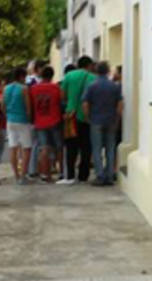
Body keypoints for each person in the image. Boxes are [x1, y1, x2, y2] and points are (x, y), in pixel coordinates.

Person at [83, 61, 124, 186]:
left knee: (97, 149)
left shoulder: (91, 86)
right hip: (111, 119)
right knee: (110, 148)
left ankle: (100, 175)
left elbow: (85, 103)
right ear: (107, 71)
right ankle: (110, 175)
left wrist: (87, 117)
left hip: (96, 119)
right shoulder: (115, 86)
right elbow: (120, 104)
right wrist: (117, 118)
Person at [60, 56, 96, 184]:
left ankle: (70, 175)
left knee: (70, 147)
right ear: (89, 65)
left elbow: (62, 95)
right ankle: (83, 175)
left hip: (70, 116)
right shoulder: (93, 78)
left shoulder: (69, 76)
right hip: (86, 117)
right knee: (86, 147)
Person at [30, 66, 63, 183]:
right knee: (59, 147)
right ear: (52, 76)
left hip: (39, 122)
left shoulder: (33, 89)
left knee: (44, 148)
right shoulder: (56, 88)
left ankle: (45, 174)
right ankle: (62, 172)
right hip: (55, 120)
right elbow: (62, 101)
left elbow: (30, 105)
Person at [3, 67, 33, 185]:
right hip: (22, 120)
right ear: (21, 77)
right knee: (26, 148)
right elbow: (28, 106)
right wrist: (29, 118)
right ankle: (23, 175)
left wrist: (8, 115)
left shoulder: (6, 88)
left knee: (13, 148)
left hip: (10, 120)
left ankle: (16, 175)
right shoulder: (24, 89)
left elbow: (3, 105)